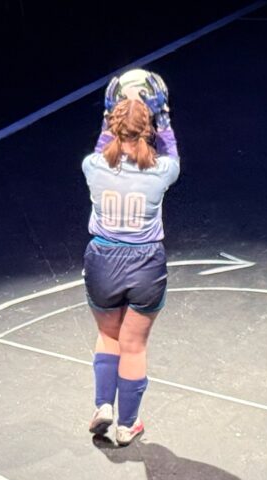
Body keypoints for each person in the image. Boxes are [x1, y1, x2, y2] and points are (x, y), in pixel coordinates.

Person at [81, 72, 179, 446]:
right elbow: (170, 150)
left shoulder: (92, 166)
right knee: (134, 346)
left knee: (109, 336)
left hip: (103, 261)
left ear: (112, 125)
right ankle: (127, 425)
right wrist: (163, 118)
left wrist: (110, 112)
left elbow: (102, 145)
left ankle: (103, 404)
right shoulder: (162, 171)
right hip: (145, 264)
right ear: (148, 128)